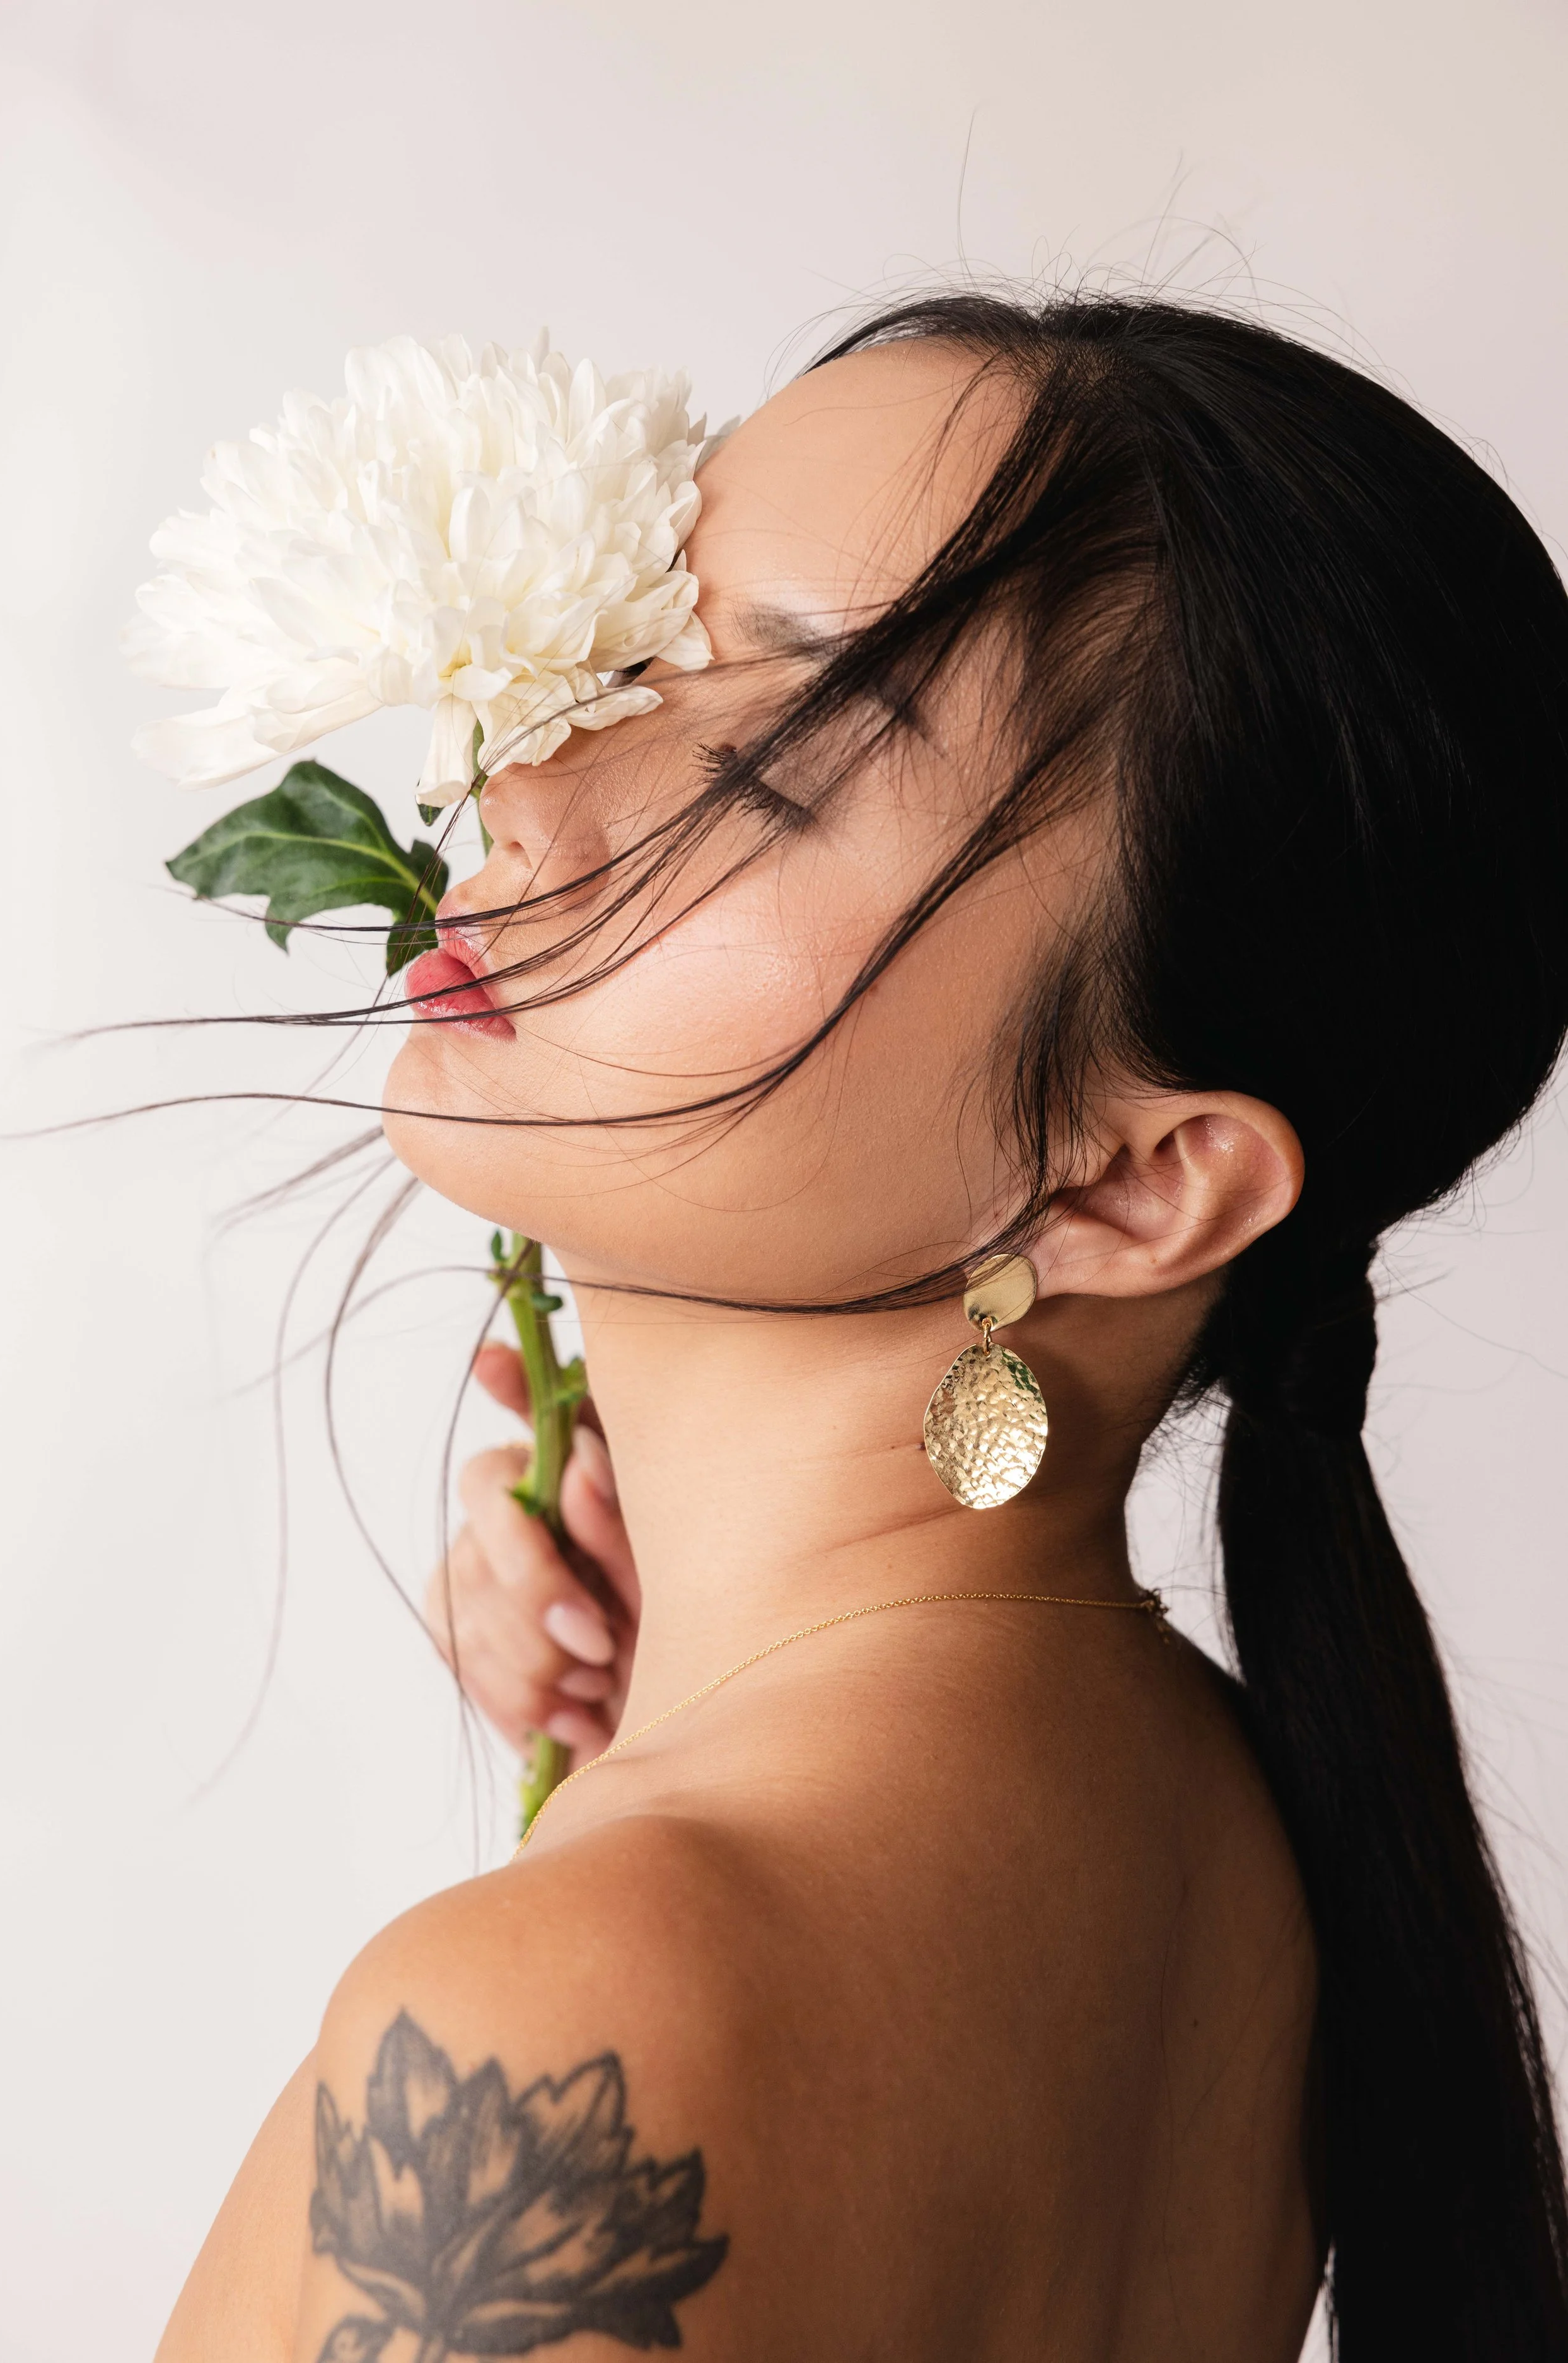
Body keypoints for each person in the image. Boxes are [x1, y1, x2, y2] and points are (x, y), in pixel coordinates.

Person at [156, 293, 1568, 2363]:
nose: (523, 779)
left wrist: (635, 1876)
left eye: (769, 766)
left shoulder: (559, 2032)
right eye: (632, 645)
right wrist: (654, 1747)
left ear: (1127, 1182)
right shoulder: (1229, 1835)